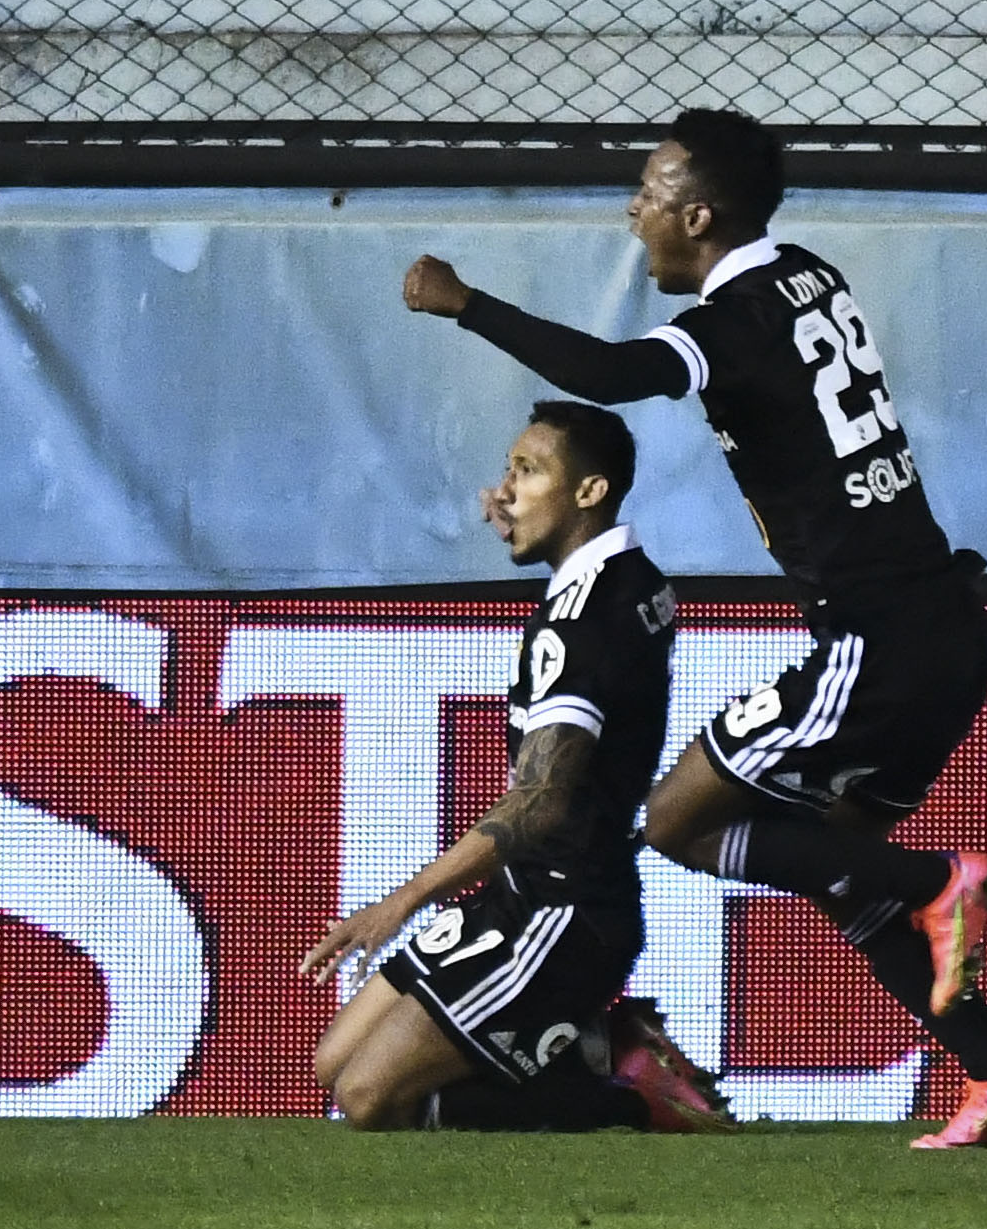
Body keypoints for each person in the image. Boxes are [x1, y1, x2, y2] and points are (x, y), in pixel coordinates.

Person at [401, 108, 987, 1149]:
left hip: (877, 642)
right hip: (939, 626)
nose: (633, 210)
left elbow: (616, 376)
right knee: (837, 866)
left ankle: (939, 882)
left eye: (649, 192)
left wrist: (465, 304)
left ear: (698, 215)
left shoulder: (737, 316)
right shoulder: (808, 275)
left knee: (675, 821)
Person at [303, 403, 733, 1133]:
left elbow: (537, 804)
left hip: (563, 915)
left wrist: (398, 903)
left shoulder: (581, 620)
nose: (503, 490)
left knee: (368, 1100)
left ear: (590, 492)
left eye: (528, 472)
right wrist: (538, 530)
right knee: (330, 1068)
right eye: (507, 470)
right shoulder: (630, 576)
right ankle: (597, 1043)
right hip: (518, 896)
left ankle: (627, 1091)